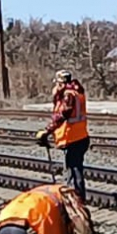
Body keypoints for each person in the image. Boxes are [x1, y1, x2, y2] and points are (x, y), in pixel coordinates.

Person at [35, 69, 89, 199]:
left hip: (73, 138)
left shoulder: (68, 95)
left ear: (61, 83)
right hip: (80, 136)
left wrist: (47, 131)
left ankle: (76, 201)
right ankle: (77, 198)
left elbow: (62, 116)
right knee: (75, 170)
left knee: (73, 172)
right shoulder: (77, 92)